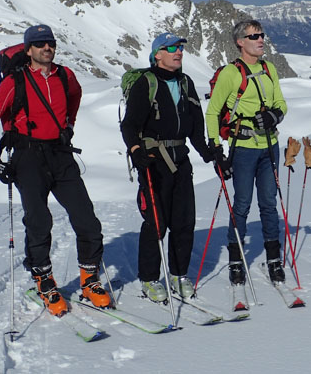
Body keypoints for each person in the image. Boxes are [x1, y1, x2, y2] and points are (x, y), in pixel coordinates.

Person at [0, 24, 110, 316]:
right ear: (28, 50)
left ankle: (89, 279)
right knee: (39, 222)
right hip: (27, 156)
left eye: (49, 43)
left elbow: (74, 97)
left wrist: (69, 125)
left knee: (86, 218)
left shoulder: (66, 76)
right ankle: (44, 280)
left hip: (60, 154)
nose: (46, 48)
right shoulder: (16, 82)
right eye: (39, 44)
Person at [120, 32, 214, 302]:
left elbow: (195, 125)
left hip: (180, 159)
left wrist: (208, 153)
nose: (178, 52)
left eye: (180, 47)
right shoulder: (146, 83)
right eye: (171, 47)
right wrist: (136, 151)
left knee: (184, 221)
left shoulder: (186, 83)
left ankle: (178, 274)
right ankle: (149, 279)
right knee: (156, 223)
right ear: (157, 54)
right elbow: (129, 125)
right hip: (152, 161)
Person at [205, 19, 288, 284]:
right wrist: (216, 148)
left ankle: (274, 258)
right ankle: (236, 260)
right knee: (241, 204)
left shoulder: (269, 68)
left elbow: (280, 102)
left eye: (261, 35)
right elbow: (213, 112)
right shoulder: (230, 73)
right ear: (240, 42)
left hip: (269, 146)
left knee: (268, 203)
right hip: (243, 148)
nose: (261, 40)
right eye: (254, 36)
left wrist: (275, 115)